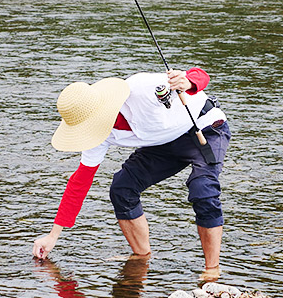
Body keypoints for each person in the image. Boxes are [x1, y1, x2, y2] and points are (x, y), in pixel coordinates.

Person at [32, 67, 229, 276]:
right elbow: (79, 183)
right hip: (164, 143)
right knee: (122, 188)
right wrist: (53, 236)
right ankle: (142, 258)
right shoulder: (96, 135)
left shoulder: (141, 88)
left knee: (203, 189)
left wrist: (188, 82)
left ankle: (211, 271)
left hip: (204, 129)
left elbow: (200, 74)